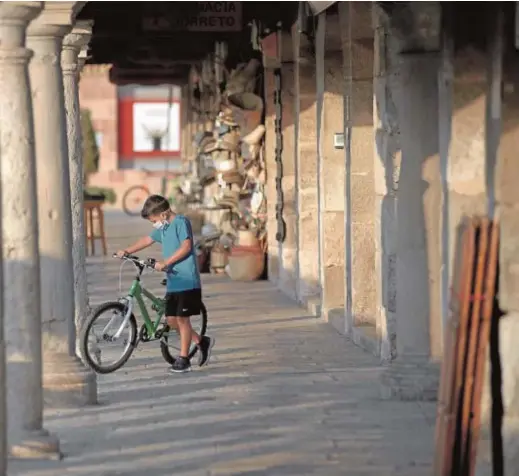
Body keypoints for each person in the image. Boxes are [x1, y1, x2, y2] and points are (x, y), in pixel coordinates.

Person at [116, 194, 214, 373]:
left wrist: (166, 263)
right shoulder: (164, 228)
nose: (154, 224)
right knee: (171, 320)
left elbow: (186, 247)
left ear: (164, 213)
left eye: (154, 220)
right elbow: (147, 240)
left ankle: (184, 359)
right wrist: (126, 251)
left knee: (182, 320)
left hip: (186, 279)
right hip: (173, 281)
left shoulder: (181, 222)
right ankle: (200, 341)